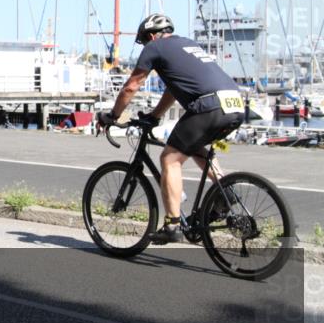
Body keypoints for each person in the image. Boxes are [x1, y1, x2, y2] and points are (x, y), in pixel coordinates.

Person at [97, 14, 245, 244]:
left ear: (151, 36)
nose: (145, 46)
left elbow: (131, 87)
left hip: (210, 106)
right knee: (194, 147)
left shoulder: (154, 47)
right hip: (235, 104)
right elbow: (173, 90)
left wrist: (112, 116)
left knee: (169, 159)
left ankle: (172, 224)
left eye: (144, 41)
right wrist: (155, 116)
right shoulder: (188, 44)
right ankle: (226, 193)